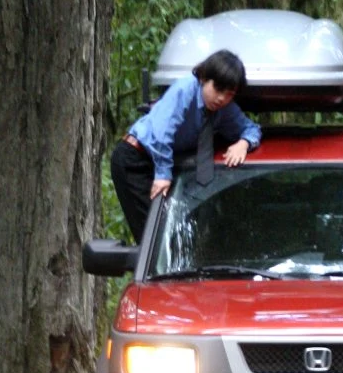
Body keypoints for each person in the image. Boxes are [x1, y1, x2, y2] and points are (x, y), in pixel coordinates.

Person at [111, 48, 263, 242]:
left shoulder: (224, 110)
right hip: (135, 158)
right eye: (218, 89)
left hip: (163, 164)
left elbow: (251, 128)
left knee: (175, 232)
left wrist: (244, 143)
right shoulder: (185, 89)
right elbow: (161, 133)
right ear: (204, 78)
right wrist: (163, 174)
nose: (222, 98)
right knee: (154, 238)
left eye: (229, 94)